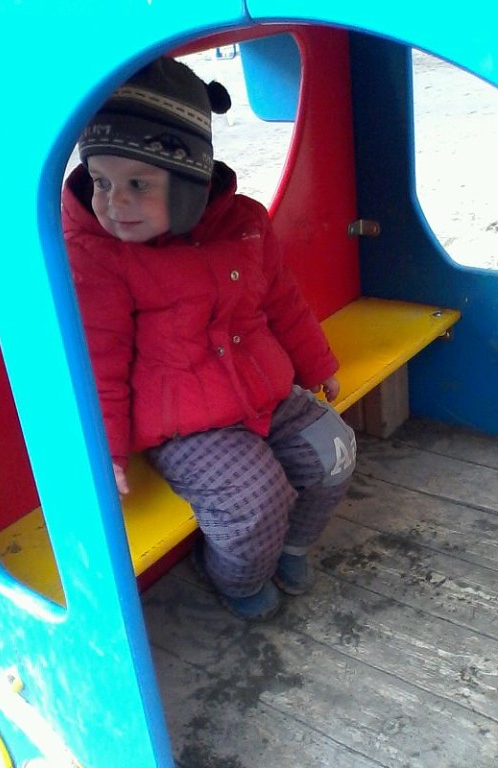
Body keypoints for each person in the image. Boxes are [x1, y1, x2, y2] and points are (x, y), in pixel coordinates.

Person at [62, 56, 356, 620]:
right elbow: (98, 361)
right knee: (254, 503)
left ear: (191, 182)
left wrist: (318, 365)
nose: (114, 203)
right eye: (101, 181)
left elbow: (283, 301)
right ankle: (237, 578)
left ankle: (290, 548)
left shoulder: (243, 224)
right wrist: (108, 451)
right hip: (184, 421)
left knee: (333, 452)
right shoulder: (99, 256)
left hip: (264, 389)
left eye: (138, 184)